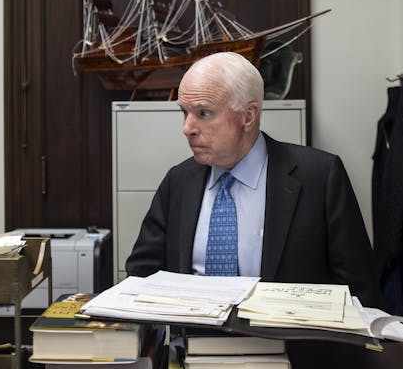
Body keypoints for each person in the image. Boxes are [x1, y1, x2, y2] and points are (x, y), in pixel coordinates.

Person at [125, 52, 381, 365]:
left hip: (293, 359)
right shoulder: (179, 181)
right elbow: (141, 274)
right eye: (184, 113)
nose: (187, 127)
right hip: (195, 355)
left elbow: (359, 290)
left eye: (203, 113)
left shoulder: (319, 177)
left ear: (249, 115)